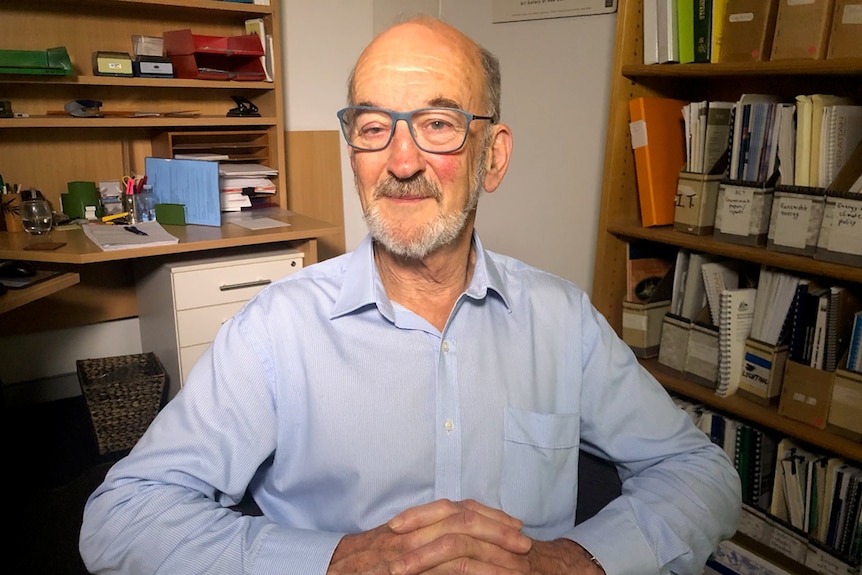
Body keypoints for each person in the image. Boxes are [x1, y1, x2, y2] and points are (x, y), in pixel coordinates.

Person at [80, 15, 741, 575]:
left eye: (438, 124)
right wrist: (331, 560)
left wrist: (572, 559)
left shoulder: (560, 320)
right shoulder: (276, 331)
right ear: (353, 155)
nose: (400, 161)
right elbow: (121, 518)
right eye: (373, 128)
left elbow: (702, 475)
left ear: (494, 156)